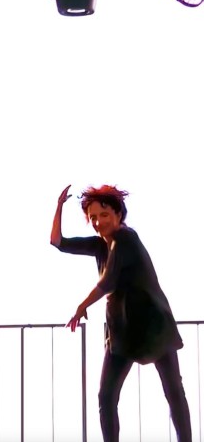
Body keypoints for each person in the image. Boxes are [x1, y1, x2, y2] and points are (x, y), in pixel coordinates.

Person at [53, 184, 192, 442]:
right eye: (92, 217)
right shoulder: (99, 245)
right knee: (106, 397)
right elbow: (58, 243)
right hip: (122, 331)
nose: (98, 222)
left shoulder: (126, 238)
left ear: (118, 214)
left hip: (153, 326)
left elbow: (108, 281)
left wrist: (82, 305)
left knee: (173, 390)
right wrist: (59, 207)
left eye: (103, 215)